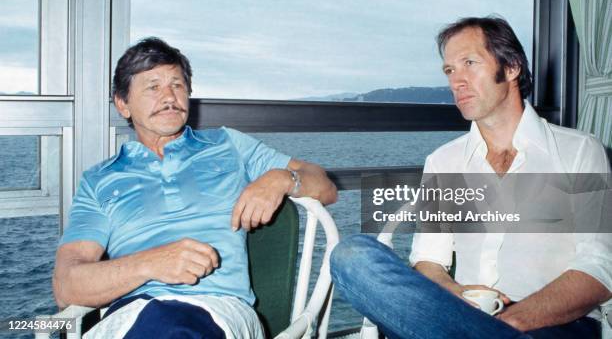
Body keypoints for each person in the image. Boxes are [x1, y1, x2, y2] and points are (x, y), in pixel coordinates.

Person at [330, 17, 611, 338]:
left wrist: (509, 322)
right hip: (461, 315)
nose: (456, 81)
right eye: (449, 70)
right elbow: (428, 261)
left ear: (511, 67)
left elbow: (598, 268)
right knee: (352, 257)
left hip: (553, 325)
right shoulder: (444, 160)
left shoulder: (579, 151)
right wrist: (453, 293)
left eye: (469, 63)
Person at [52, 37, 337, 338]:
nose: (169, 96)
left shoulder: (228, 145)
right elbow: (66, 286)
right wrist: (151, 263)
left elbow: (326, 188)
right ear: (123, 104)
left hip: (221, 310)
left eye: (177, 84)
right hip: (129, 317)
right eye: (153, 86)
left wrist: (282, 178)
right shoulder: (99, 180)